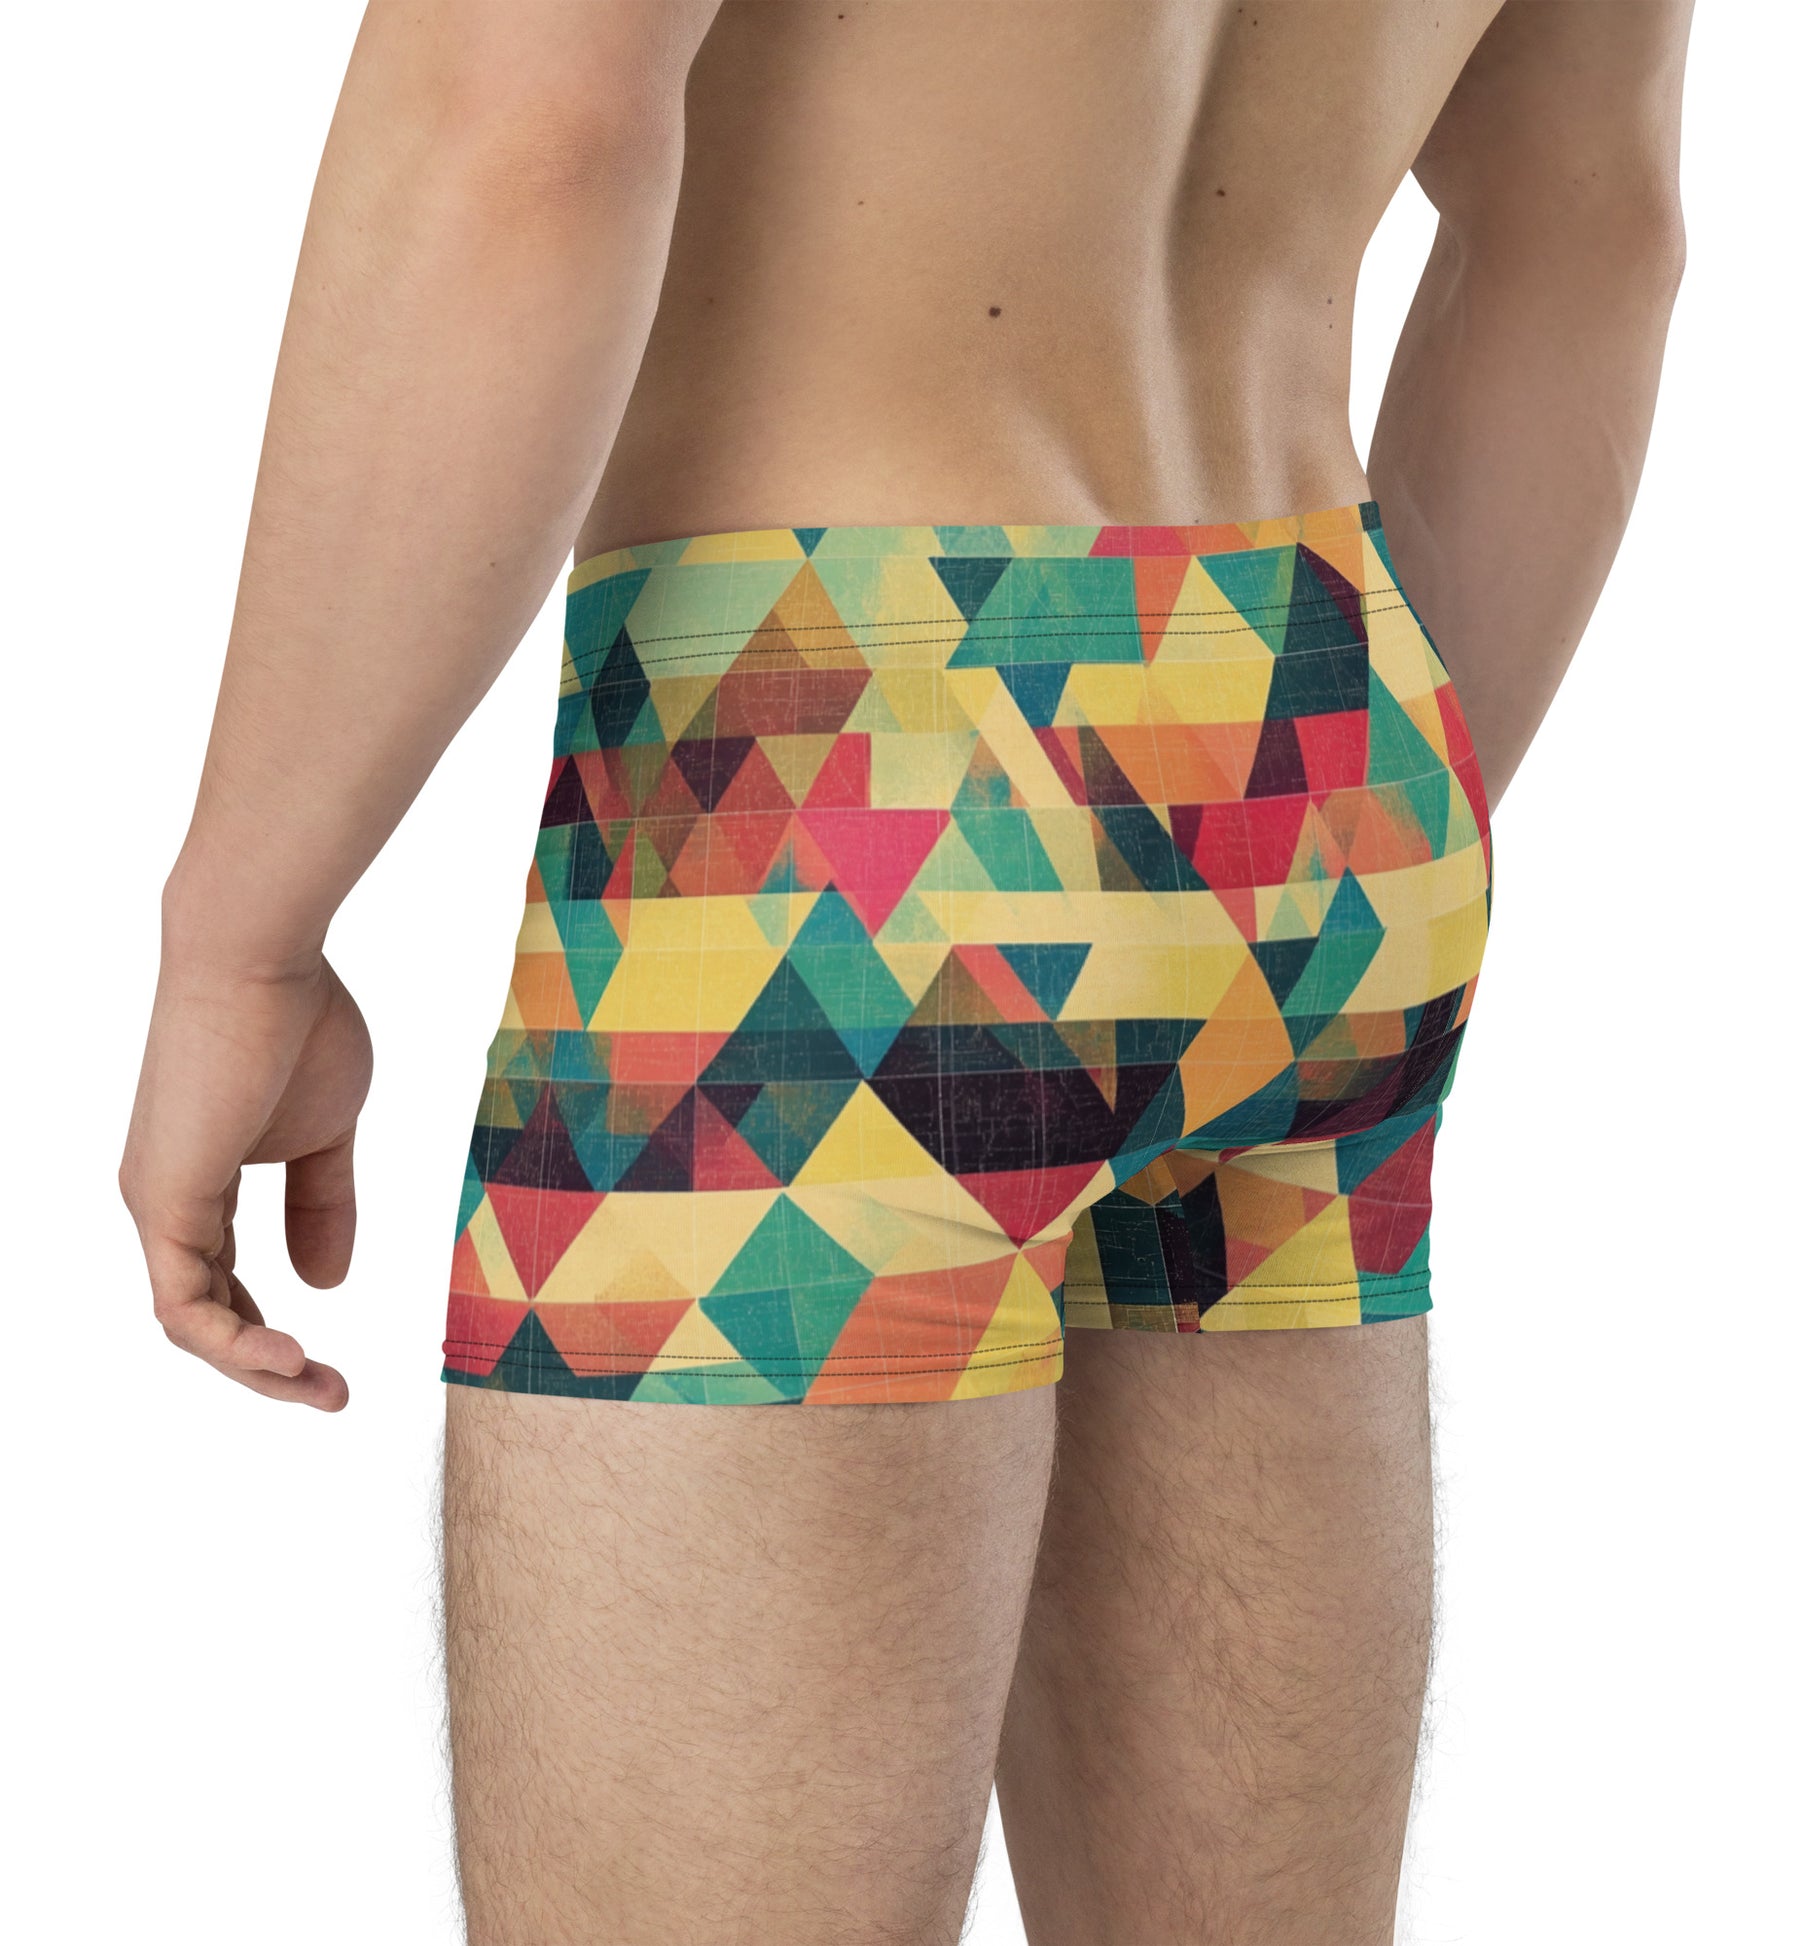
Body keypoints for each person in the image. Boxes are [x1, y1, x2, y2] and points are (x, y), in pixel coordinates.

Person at [119, 1, 1691, 1938]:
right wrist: (1324, 836)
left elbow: (523, 114)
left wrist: (244, 935)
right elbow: (1589, 220)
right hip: (1318, 743)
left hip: (837, 780)